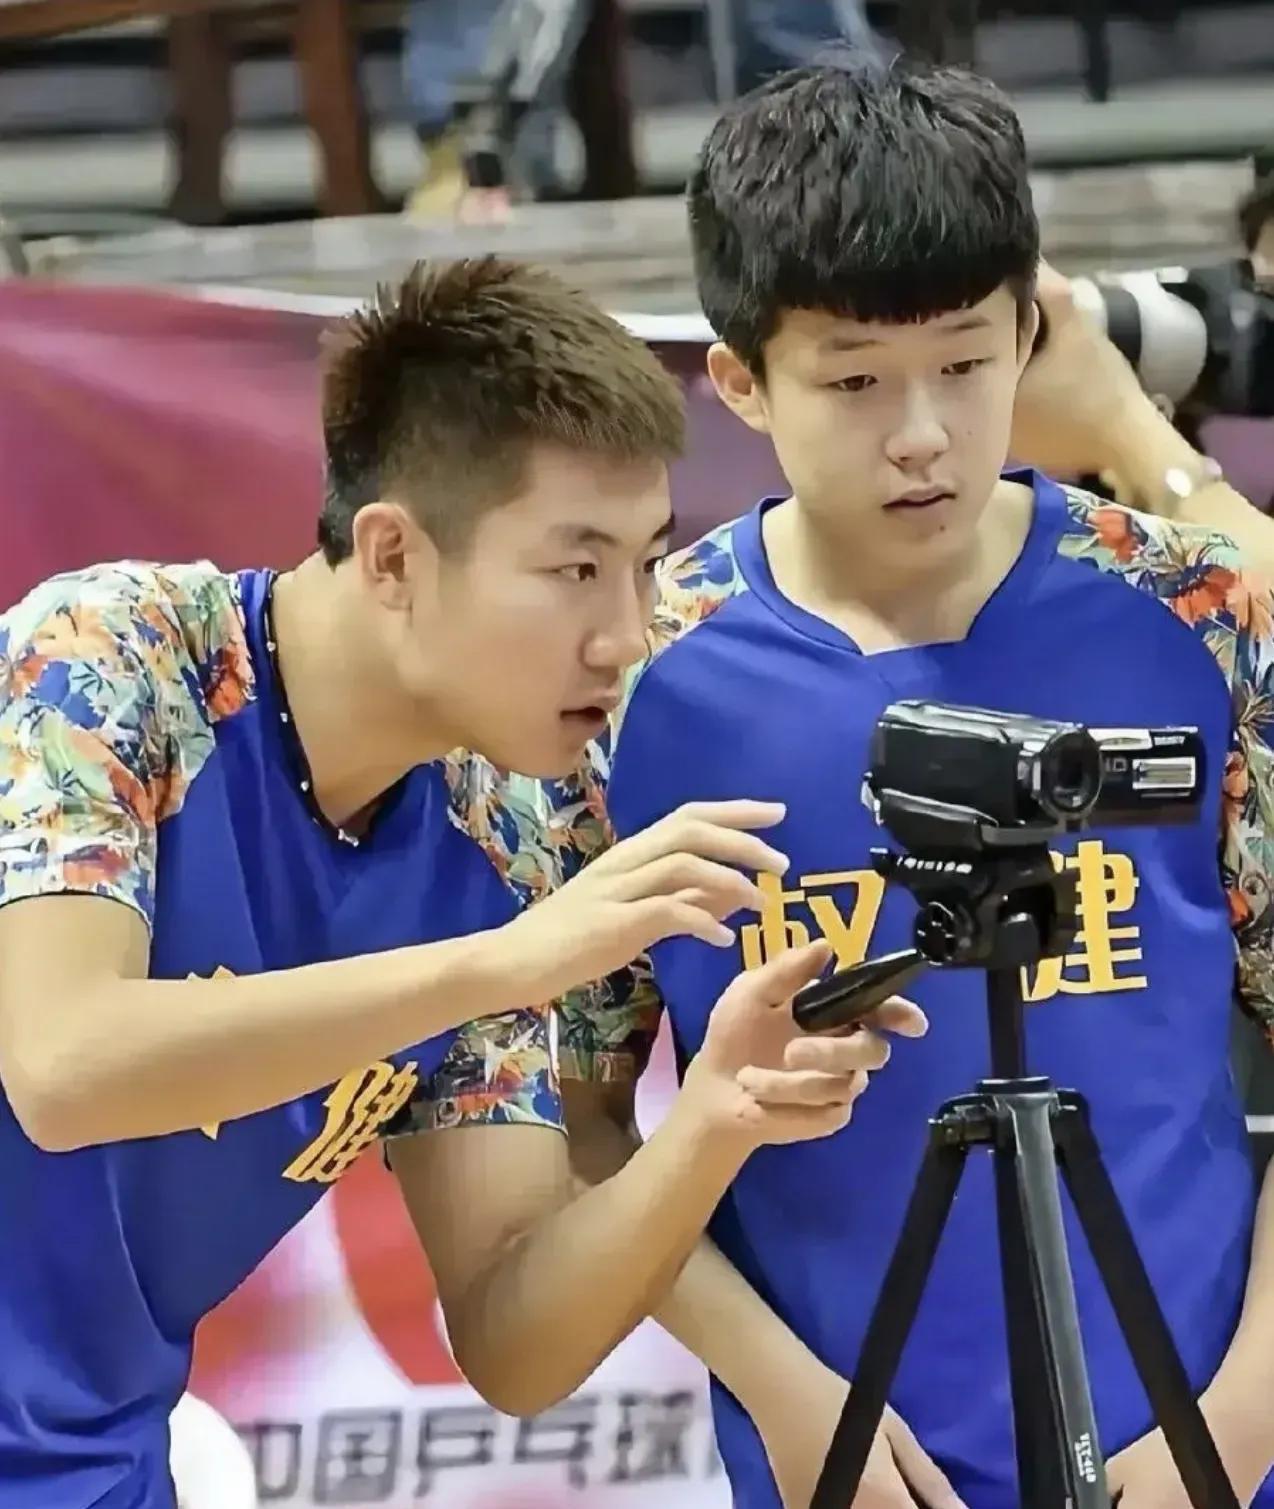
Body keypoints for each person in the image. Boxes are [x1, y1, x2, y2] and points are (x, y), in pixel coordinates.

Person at [0, 257, 923, 1508]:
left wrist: (712, 1120)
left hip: (96, 1461)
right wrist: (505, 964)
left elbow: (512, 1341)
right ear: (391, 556)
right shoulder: (109, 662)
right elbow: (62, 1067)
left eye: (645, 566)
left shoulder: (502, 834)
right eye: (574, 569)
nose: (625, 635)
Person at [560, 59, 1274, 1509]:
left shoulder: (1205, 616)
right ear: (740, 382)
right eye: (852, 381)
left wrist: (1237, 1425)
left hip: (1206, 1445)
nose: (921, 433)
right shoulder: (628, 679)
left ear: (1030, 334)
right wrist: (782, 1391)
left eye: (962, 362)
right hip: (845, 1466)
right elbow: (578, 1131)